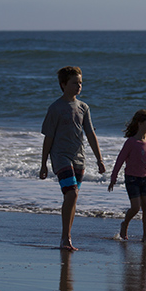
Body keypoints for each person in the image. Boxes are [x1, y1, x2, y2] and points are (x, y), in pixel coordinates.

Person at [39, 66, 106, 251]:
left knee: (72, 197)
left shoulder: (84, 107)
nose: (79, 86)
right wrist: (44, 163)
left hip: (79, 157)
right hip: (60, 156)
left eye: (81, 82)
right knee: (72, 193)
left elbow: (91, 134)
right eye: (75, 82)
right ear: (63, 84)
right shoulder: (55, 108)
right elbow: (48, 137)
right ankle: (65, 237)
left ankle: (67, 236)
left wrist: (99, 159)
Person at [108, 109, 146, 242]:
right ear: (140, 123)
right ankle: (125, 223)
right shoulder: (131, 142)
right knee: (136, 207)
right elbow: (120, 160)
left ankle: (145, 235)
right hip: (132, 179)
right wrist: (113, 178)